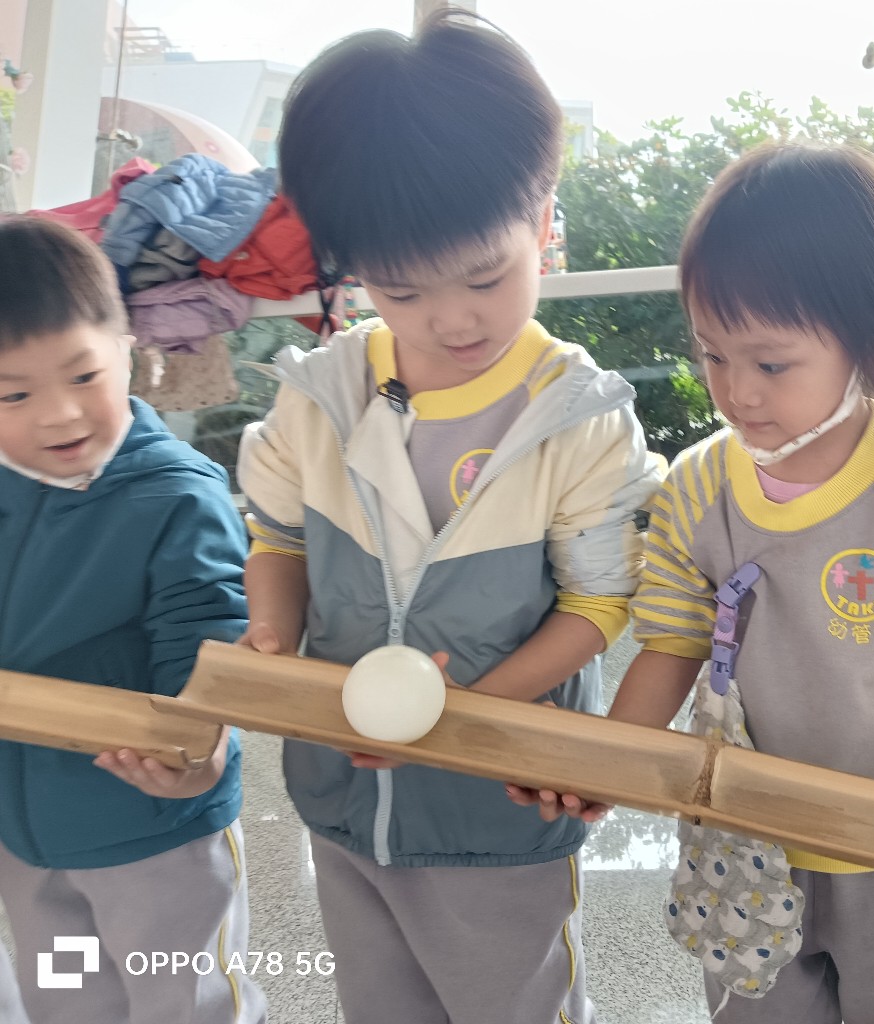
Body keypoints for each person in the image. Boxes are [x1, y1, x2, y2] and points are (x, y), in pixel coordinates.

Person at [510, 144, 874, 1023]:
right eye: (713, 356)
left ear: (865, 338)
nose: (736, 392)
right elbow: (671, 643)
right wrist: (607, 762)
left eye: (771, 364)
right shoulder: (696, 488)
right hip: (741, 842)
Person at [235, 9, 661, 1023]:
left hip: (499, 809)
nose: (453, 318)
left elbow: (598, 605)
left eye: (486, 276)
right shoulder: (324, 393)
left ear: (542, 218)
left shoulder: (576, 415)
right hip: (344, 800)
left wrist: (450, 715)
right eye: (403, 289)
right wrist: (272, 641)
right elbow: (279, 537)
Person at [0, 217, 262, 1024]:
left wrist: (199, 756)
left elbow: (210, 646)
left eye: (83, 375)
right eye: (13, 394)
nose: (59, 415)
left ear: (128, 348)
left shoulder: (176, 495)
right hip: (29, 842)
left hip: (156, 833)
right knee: (69, 1003)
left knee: (187, 1004)